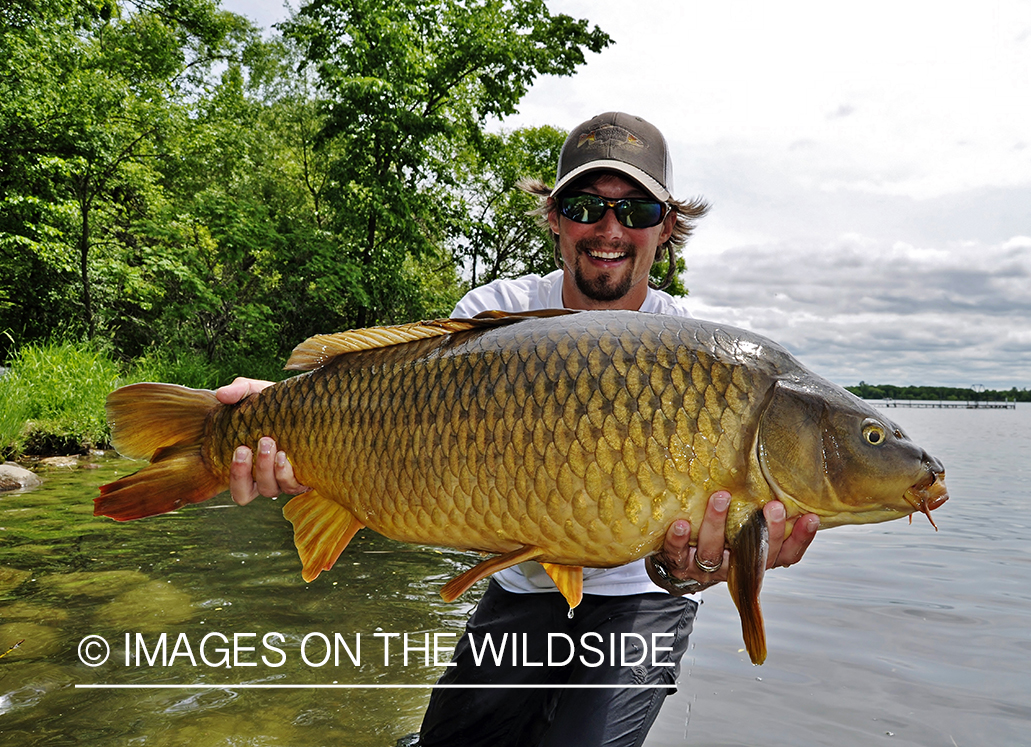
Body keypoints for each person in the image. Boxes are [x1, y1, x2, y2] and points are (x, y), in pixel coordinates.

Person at [217, 112, 819, 746]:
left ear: (667, 227)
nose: (609, 230)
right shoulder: (488, 315)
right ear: (555, 216)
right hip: (522, 584)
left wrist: (693, 569)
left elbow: (687, 570)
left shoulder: (697, 357)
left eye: (636, 211)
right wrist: (287, 425)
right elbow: (396, 429)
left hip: (641, 598)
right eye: (587, 206)